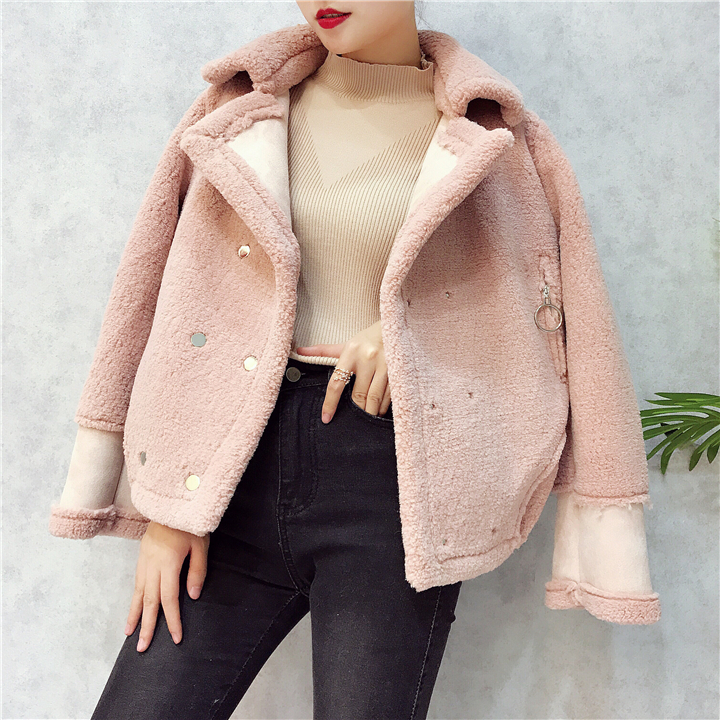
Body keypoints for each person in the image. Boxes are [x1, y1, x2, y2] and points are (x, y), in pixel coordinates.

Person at [49, 1, 661, 718]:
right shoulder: (238, 109)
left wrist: (411, 340)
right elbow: (153, 292)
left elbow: (555, 330)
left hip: (394, 493)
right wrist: (169, 508)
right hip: (229, 474)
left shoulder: (498, 138)